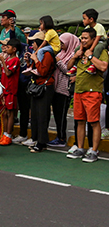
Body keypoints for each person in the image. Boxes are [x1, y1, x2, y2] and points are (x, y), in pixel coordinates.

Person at [66, 27, 107, 163]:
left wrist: (90, 56)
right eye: (81, 38)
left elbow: (103, 67)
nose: (82, 41)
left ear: (93, 39)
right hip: (79, 91)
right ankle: (80, 147)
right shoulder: (79, 51)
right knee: (80, 121)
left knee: (94, 122)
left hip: (92, 92)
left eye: (85, 38)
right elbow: (68, 67)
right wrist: (75, 56)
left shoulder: (100, 51)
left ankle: (94, 150)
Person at [26, 31, 56, 153]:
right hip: (37, 85)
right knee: (35, 115)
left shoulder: (47, 54)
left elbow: (43, 71)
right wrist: (29, 62)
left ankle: (41, 141)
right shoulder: (38, 53)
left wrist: (35, 60)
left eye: (33, 42)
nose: (32, 45)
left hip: (45, 86)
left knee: (42, 115)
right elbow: (36, 70)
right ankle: (37, 139)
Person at [48, 32, 79, 147]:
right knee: (56, 114)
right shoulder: (62, 53)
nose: (61, 45)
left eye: (63, 43)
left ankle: (61, 138)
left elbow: (68, 70)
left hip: (64, 89)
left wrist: (58, 61)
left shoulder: (74, 55)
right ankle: (59, 136)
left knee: (61, 115)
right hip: (56, 87)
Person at [0, 38, 21, 146]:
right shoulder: (7, 59)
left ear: (14, 49)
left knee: (10, 113)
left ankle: (8, 134)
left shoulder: (15, 60)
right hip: (4, 88)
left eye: (8, 47)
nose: (6, 49)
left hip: (11, 90)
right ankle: (4, 132)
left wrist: (2, 61)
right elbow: (2, 72)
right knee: (4, 113)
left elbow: (9, 73)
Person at [68, 9, 106, 76]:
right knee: (77, 48)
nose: (83, 21)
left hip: (101, 42)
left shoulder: (99, 27)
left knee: (97, 48)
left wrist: (90, 51)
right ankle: (75, 66)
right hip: (93, 42)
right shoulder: (87, 28)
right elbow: (82, 40)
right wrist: (80, 50)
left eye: (84, 19)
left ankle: (93, 65)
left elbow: (96, 40)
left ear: (91, 19)